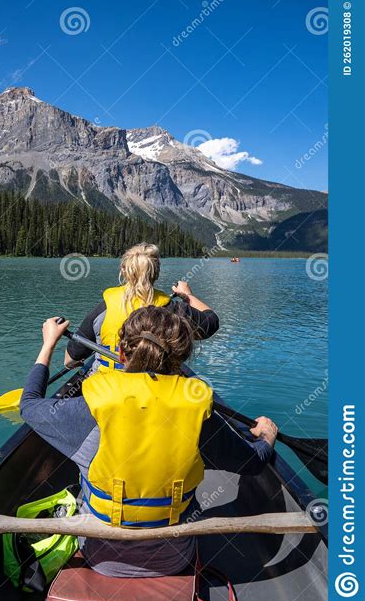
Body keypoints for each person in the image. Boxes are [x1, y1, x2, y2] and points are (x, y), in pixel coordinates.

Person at [21, 308, 278, 578]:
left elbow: (28, 406)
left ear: (121, 355)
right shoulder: (198, 413)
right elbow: (252, 463)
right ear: (180, 360)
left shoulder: (90, 408)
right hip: (174, 559)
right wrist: (266, 439)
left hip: (99, 557)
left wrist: (48, 343)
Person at [64, 242, 219, 372]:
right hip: (153, 390)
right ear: (156, 273)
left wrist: (74, 363)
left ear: (124, 271)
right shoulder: (172, 310)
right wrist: (188, 296)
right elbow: (211, 323)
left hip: (106, 389)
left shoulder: (105, 307)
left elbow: (70, 359)